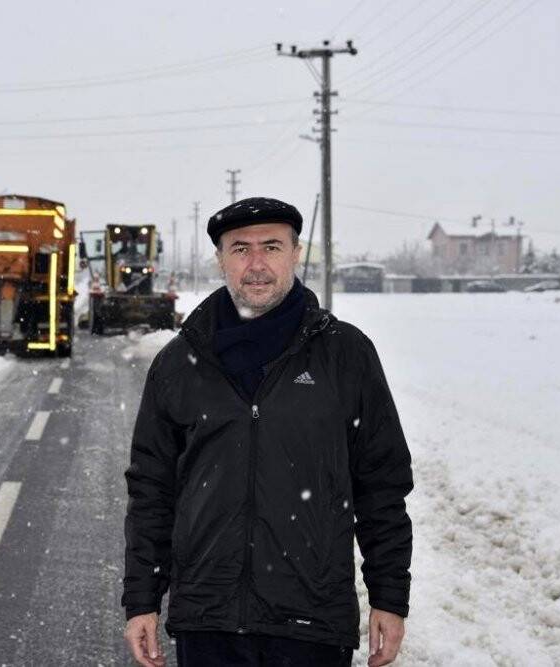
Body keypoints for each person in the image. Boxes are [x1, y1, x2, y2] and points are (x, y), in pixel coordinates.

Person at [122, 197, 414, 667]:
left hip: (311, 621)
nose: (256, 264)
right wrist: (142, 600)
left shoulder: (346, 356)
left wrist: (390, 595)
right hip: (208, 622)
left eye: (271, 246)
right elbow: (152, 489)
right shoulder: (179, 363)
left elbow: (381, 485)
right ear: (220, 259)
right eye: (240, 249)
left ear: (296, 254)